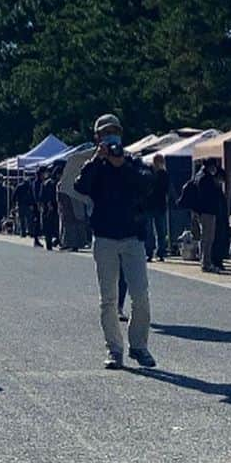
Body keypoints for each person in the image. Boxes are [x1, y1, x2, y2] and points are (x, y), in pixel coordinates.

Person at [74, 114, 155, 370]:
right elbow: (80, 186)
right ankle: (114, 348)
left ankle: (139, 345)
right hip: (105, 237)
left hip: (132, 237)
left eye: (115, 132)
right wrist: (97, 160)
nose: (111, 137)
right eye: (106, 133)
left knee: (140, 295)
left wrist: (122, 164)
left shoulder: (133, 162)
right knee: (108, 298)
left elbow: (147, 183)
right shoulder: (95, 165)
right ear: (97, 138)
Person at [178, 158, 225, 273]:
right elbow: (208, 196)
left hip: (200, 211)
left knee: (204, 238)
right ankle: (206, 263)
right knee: (208, 238)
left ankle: (204, 261)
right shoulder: (206, 179)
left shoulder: (198, 176)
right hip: (208, 211)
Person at [145, 153, 170, 261]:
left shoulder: (164, 174)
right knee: (149, 231)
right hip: (150, 205)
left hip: (160, 206)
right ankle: (149, 252)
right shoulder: (148, 172)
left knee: (161, 231)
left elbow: (167, 188)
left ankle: (161, 252)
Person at [39, 167, 59, 250]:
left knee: (48, 227)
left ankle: (49, 243)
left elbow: (41, 196)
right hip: (53, 207)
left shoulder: (45, 183)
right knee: (54, 225)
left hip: (47, 207)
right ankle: (55, 241)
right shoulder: (53, 183)